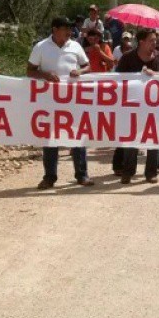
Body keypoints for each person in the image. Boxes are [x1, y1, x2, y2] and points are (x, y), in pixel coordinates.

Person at [27, 17, 93, 189]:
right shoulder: (41, 47)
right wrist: (45, 75)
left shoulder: (76, 46)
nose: (69, 32)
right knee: (50, 138)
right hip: (49, 101)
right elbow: (30, 70)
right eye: (65, 29)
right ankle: (49, 177)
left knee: (77, 136)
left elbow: (88, 66)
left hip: (73, 100)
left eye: (70, 29)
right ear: (55, 29)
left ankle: (82, 175)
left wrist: (79, 71)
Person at [115, 28, 159, 184]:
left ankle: (151, 172)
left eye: (155, 40)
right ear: (141, 42)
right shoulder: (127, 58)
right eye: (151, 40)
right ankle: (128, 172)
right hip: (132, 107)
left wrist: (155, 74)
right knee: (131, 139)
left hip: (156, 107)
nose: (155, 43)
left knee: (154, 140)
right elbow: (118, 78)